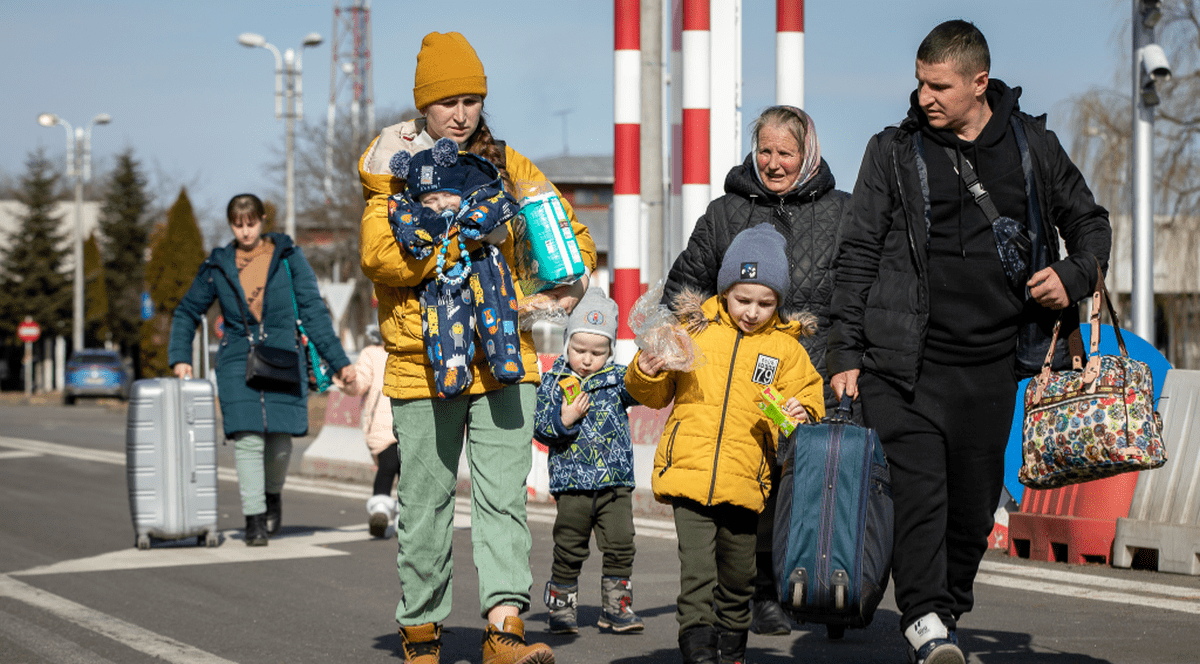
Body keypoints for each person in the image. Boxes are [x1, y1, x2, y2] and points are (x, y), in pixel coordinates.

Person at [826, 20, 1111, 664]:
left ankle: (946, 609)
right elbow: (857, 253)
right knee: (920, 493)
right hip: (903, 363)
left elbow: (1089, 222)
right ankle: (925, 620)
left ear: (979, 83)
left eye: (939, 85)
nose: (924, 96)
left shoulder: (1033, 145)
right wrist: (844, 352)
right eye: (919, 83)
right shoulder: (892, 151)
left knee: (973, 511)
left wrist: (1071, 275)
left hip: (993, 364)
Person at [357, 31, 596, 664]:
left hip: (504, 357)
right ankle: (421, 634)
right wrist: (451, 239)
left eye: (472, 100)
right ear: (423, 108)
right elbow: (380, 256)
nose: (461, 114)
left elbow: (572, 239)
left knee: (501, 499)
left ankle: (505, 632)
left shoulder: (510, 166)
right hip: (420, 364)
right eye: (447, 103)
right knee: (426, 507)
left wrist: (560, 282)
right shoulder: (396, 168)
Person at [661, 105, 852, 635]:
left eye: (785, 152)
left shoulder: (843, 213)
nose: (772, 163)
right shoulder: (726, 213)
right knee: (756, 491)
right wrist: (680, 335)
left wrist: (851, 362)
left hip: (817, 373)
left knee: (816, 490)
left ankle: (825, 587)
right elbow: (684, 286)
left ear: (807, 152)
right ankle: (761, 594)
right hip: (737, 378)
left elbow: (860, 294)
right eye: (764, 150)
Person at [626, 224, 825, 664]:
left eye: (765, 302)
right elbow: (653, 394)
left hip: (746, 480)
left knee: (739, 576)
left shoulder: (786, 349)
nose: (752, 311)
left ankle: (733, 643)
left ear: (779, 302)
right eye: (742, 299)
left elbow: (809, 396)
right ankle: (696, 641)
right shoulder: (691, 331)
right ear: (724, 289)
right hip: (688, 473)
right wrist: (647, 369)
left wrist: (800, 412)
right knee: (696, 571)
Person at [169, 193, 354, 546]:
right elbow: (187, 311)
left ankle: (272, 497)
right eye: (237, 225)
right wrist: (180, 356)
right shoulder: (218, 264)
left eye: (250, 222)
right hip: (238, 359)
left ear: (263, 219)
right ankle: (254, 519)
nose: (245, 231)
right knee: (248, 438)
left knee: (281, 443)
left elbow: (313, 311)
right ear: (231, 225)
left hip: (284, 356)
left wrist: (340, 364)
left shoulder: (288, 258)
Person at [535, 288, 643, 635]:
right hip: (572, 482)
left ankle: (616, 607)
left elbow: (642, 388)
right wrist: (563, 419)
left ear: (610, 350)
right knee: (569, 545)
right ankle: (562, 607)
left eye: (598, 352)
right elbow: (540, 426)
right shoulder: (554, 381)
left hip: (614, 482)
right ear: (566, 343)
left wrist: (648, 366)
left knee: (621, 543)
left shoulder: (616, 378)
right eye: (579, 349)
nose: (586, 359)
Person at [333, 325, 399, 538]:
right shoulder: (372, 354)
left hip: (413, 423)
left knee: (408, 473)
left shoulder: (415, 352)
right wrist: (348, 379)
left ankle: (400, 515)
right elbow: (360, 383)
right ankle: (381, 511)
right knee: (390, 464)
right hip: (382, 424)